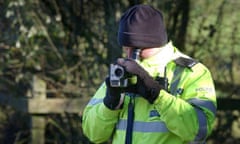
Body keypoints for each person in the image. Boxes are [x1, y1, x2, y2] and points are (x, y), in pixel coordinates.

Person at [82, 4, 217, 144]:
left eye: (136, 49)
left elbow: (200, 131)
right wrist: (110, 104)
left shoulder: (192, 73)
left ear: (155, 42)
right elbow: (93, 134)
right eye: (126, 48)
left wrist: (157, 95)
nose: (129, 55)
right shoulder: (121, 72)